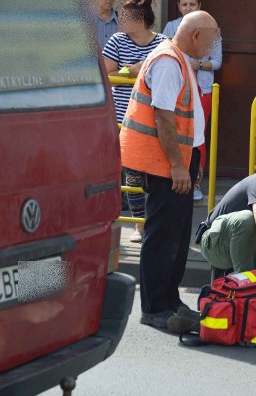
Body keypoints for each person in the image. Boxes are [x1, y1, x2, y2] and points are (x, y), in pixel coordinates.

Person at [119, 10, 220, 328]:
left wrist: (192, 164)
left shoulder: (177, 59)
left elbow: (181, 117)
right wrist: (178, 165)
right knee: (162, 237)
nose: (213, 44)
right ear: (195, 36)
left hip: (177, 160)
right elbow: (162, 117)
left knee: (175, 236)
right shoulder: (168, 61)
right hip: (164, 163)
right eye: (211, 37)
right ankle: (154, 308)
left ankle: (170, 300)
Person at [104, 0, 168, 243]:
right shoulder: (117, 41)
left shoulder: (162, 42)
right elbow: (105, 74)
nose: (119, 22)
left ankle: (153, 223)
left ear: (139, 20)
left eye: (124, 17)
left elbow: (162, 69)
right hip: (124, 120)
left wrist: (136, 70)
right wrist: (130, 72)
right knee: (131, 176)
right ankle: (140, 227)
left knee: (153, 176)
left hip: (155, 120)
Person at [163, 0, 223, 202]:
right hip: (179, 88)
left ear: (200, 5)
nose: (188, 8)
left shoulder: (210, 27)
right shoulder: (171, 27)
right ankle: (175, 177)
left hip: (203, 89)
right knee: (176, 130)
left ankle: (196, 182)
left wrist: (199, 64)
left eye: (192, 4)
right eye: (184, 5)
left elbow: (217, 61)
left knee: (198, 135)